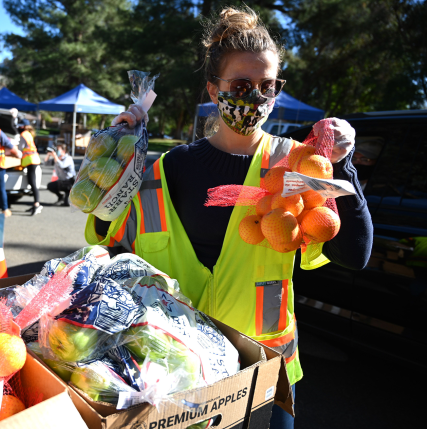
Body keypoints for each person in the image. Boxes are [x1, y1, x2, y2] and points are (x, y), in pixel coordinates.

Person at [84, 7, 373, 429]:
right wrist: (111, 155)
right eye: (241, 84)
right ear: (213, 89)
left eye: (267, 85)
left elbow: (354, 254)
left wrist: (341, 165)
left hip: (261, 377)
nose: (255, 96)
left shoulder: (294, 164)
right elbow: (107, 249)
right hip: (172, 378)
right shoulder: (163, 172)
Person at [18, 119, 43, 215]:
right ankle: (35, 204)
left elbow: (20, 148)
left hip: (30, 160)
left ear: (23, 126)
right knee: (31, 182)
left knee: (33, 183)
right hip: (34, 159)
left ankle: (37, 204)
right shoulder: (28, 134)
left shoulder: (23, 134)